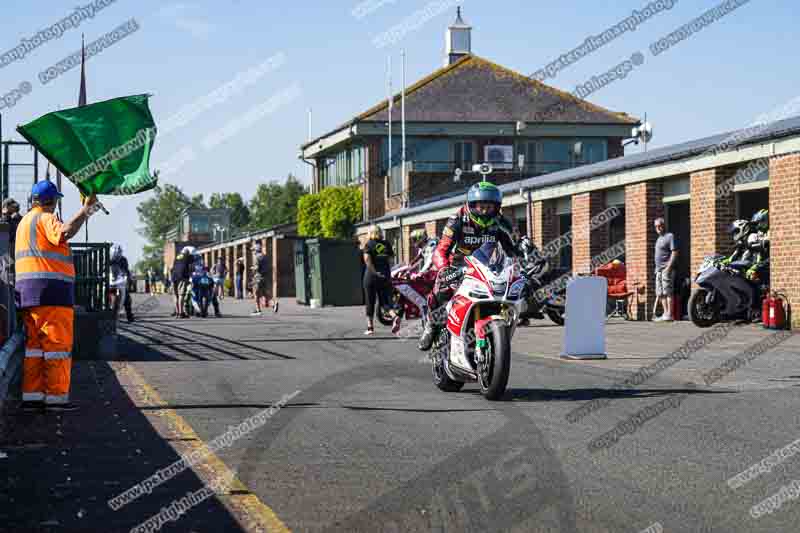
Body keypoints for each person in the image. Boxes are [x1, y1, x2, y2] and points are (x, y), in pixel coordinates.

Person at [17, 181, 97, 411]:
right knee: (57, 347)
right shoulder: (45, 218)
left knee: (34, 348)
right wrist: (87, 209)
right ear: (51, 201)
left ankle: (32, 398)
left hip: (28, 294)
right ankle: (56, 399)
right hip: (52, 293)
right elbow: (65, 232)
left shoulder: (24, 222)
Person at [418, 181, 520, 351]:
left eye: (489, 207)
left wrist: (523, 261)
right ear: (472, 206)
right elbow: (440, 250)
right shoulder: (457, 220)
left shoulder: (500, 222)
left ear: (497, 207)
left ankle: (494, 337)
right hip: (457, 267)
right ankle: (431, 326)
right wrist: (444, 269)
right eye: (481, 207)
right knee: (441, 292)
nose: (485, 211)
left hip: (485, 268)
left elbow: (512, 248)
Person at [362, 225, 401, 336]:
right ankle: (394, 316)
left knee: (370, 301)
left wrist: (374, 272)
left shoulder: (369, 244)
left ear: (370, 233)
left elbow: (367, 260)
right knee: (385, 301)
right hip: (385, 276)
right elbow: (391, 260)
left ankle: (370, 328)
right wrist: (386, 271)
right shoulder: (386, 244)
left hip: (371, 277)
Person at [653, 217, 678, 322]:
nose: (658, 228)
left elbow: (675, 252)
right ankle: (665, 314)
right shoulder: (659, 239)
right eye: (656, 226)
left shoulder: (670, 236)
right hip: (658, 270)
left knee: (668, 292)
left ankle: (670, 314)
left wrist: (668, 267)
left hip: (666, 270)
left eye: (660, 225)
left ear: (664, 225)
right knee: (660, 293)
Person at [250, 243, 277, 316]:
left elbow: (257, 268)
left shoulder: (257, 257)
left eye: (253, 250)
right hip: (265, 277)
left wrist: (252, 268)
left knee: (256, 294)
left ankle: (258, 310)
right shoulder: (265, 256)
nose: (253, 252)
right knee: (265, 293)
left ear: (256, 250)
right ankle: (274, 304)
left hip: (258, 277)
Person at [109, 243, 134, 322]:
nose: (116, 257)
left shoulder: (123, 260)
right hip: (109, 280)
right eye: (115, 255)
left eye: (118, 255)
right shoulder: (106, 258)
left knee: (127, 298)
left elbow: (126, 270)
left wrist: (129, 278)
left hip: (119, 280)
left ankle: (129, 315)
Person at [1, 198, 22, 280]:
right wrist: (5, 216)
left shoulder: (19, 219)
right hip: (8, 251)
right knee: (8, 273)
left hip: (15, 250)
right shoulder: (5, 220)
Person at [171, 246, 194, 318]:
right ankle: (181, 313)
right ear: (187, 253)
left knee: (175, 295)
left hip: (173, 277)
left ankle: (177, 312)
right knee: (181, 295)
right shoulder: (188, 257)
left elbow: (172, 267)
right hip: (182, 277)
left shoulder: (177, 257)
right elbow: (192, 267)